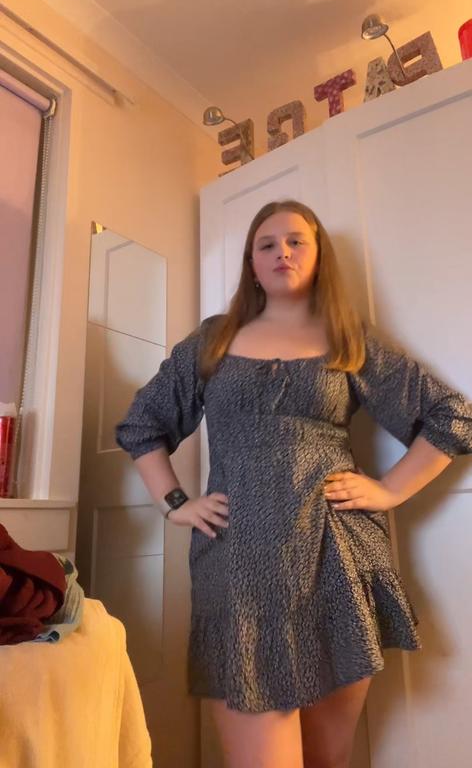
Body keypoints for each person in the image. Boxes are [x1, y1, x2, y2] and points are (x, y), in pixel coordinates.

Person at [115, 199, 472, 768]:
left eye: (296, 241)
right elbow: (142, 425)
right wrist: (175, 502)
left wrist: (390, 490)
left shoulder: (349, 339)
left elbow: (451, 418)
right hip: (238, 568)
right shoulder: (212, 340)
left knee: (328, 759)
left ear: (319, 255)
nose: (282, 251)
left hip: (338, 560)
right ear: (252, 264)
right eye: (267, 244)